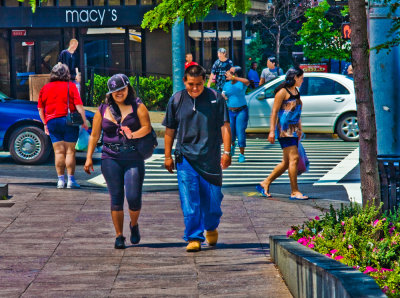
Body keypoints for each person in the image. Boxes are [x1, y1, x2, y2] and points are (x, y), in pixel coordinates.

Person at [163, 65, 232, 252]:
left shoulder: (216, 98)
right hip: (185, 158)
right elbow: (169, 130)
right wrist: (167, 155)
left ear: (205, 81)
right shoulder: (176, 99)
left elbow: (225, 126)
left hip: (211, 158)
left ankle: (211, 225)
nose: (195, 88)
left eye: (199, 84)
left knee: (213, 202)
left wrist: (227, 152)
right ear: (184, 81)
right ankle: (194, 236)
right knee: (189, 200)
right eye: (191, 84)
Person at [84, 74, 151, 249]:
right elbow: (94, 135)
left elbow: (147, 128)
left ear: (128, 88)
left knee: (133, 197)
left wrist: (132, 135)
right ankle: (119, 235)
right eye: (115, 90)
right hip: (110, 158)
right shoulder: (103, 109)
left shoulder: (138, 106)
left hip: (133, 158)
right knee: (116, 198)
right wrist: (89, 157)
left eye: (121, 89)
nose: (119, 93)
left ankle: (134, 225)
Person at [256, 67, 308, 201]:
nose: (302, 81)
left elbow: (297, 111)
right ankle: (294, 191)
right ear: (295, 77)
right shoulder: (282, 92)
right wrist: (272, 131)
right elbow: (273, 112)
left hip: (294, 130)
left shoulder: (296, 91)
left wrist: (300, 128)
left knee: (286, 162)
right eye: (301, 78)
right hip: (284, 130)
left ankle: (265, 183)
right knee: (294, 159)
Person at [37, 63, 88, 189]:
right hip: (68, 121)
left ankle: (60, 181)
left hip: (52, 121)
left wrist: (45, 123)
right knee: (70, 151)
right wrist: (84, 121)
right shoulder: (71, 86)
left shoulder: (46, 88)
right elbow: (79, 106)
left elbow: (40, 108)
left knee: (58, 152)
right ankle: (71, 181)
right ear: (67, 74)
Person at [222, 66, 250, 163]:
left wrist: (234, 78)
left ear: (236, 74)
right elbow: (223, 94)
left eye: (231, 72)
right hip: (230, 111)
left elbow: (247, 81)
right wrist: (224, 97)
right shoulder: (226, 84)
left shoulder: (241, 83)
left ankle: (242, 154)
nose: (228, 73)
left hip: (241, 111)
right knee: (231, 133)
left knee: (240, 132)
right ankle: (232, 145)